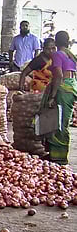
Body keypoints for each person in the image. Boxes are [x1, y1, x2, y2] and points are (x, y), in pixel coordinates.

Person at [42, 31, 77, 165]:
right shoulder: (70, 55)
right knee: (63, 122)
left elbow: (59, 75)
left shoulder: (58, 54)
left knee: (58, 124)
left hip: (63, 90)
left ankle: (58, 158)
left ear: (56, 43)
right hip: (71, 88)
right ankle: (56, 154)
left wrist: (52, 95)